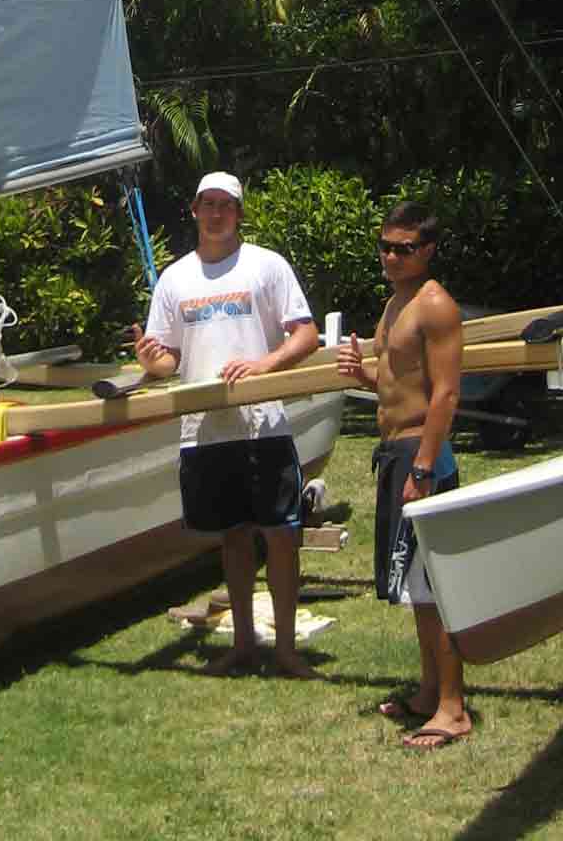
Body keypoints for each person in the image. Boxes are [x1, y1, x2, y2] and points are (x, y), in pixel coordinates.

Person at [134, 172, 321, 678]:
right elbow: (169, 360)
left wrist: (264, 365)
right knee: (233, 538)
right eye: (207, 204)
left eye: (226, 206)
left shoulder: (266, 266)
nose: (216, 214)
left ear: (239, 212)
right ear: (193, 211)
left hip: (264, 425)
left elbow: (306, 335)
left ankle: (285, 648)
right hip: (205, 432)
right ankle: (243, 644)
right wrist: (152, 362)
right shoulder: (174, 279)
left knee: (281, 535)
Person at [338, 200, 471, 748]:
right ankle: (428, 691)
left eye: (405, 248)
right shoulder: (396, 304)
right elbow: (398, 384)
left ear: (429, 250)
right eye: (386, 246)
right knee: (415, 585)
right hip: (397, 451)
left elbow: (445, 394)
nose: (392, 256)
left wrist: (421, 466)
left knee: (434, 585)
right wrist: (365, 377)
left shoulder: (435, 306)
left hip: (422, 454)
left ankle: (452, 709)